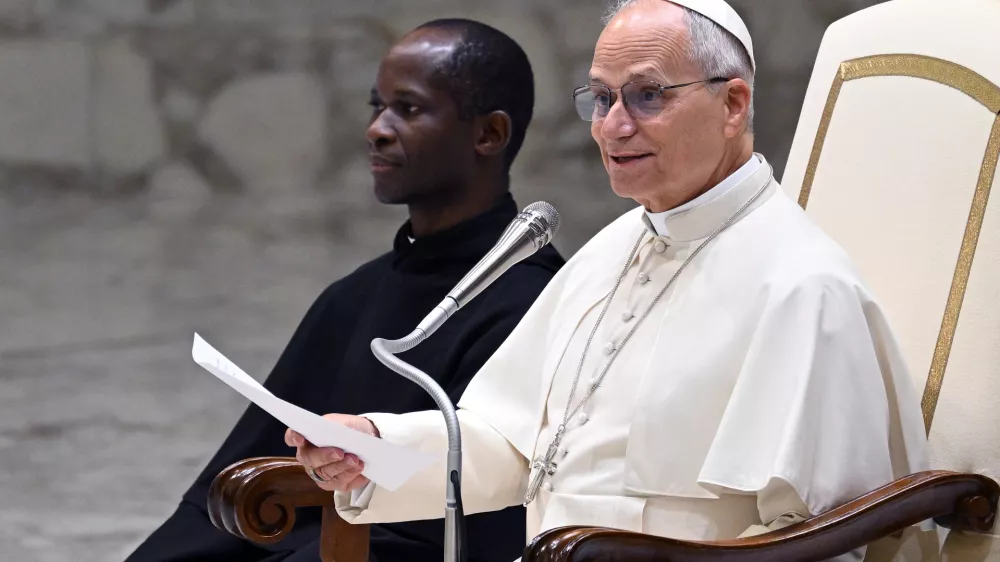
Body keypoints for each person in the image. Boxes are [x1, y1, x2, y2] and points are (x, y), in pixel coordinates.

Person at [289, 1, 931, 561]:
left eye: (647, 95)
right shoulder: (611, 252)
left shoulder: (801, 288)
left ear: (732, 104)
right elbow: (516, 449)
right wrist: (374, 445)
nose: (613, 125)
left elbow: (820, 539)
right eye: (601, 97)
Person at [126, 18, 565, 562]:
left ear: (488, 134)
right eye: (376, 107)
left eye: (407, 109)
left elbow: (457, 526)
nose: (376, 129)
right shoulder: (354, 296)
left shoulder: (534, 302)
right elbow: (225, 494)